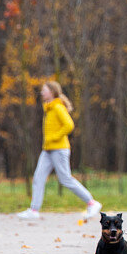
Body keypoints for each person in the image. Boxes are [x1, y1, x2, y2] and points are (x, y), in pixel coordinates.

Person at [17, 81, 102, 220]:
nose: (42, 93)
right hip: (48, 150)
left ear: (52, 92)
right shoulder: (49, 108)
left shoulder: (57, 107)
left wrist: (54, 137)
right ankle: (34, 210)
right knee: (38, 178)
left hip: (59, 149)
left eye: (44, 90)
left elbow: (69, 125)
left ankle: (92, 203)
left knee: (65, 179)